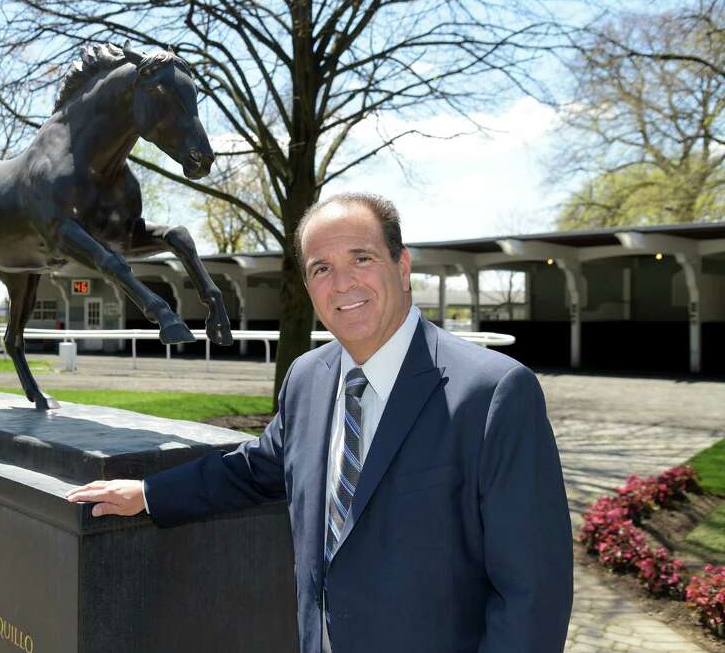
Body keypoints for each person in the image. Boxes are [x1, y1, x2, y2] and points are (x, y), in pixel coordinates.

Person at [66, 192, 574, 653]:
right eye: (321, 268)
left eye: (361, 258)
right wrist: (148, 494)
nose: (343, 283)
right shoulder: (307, 377)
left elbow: (533, 594)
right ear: (308, 286)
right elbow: (256, 468)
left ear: (402, 266)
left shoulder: (494, 393)